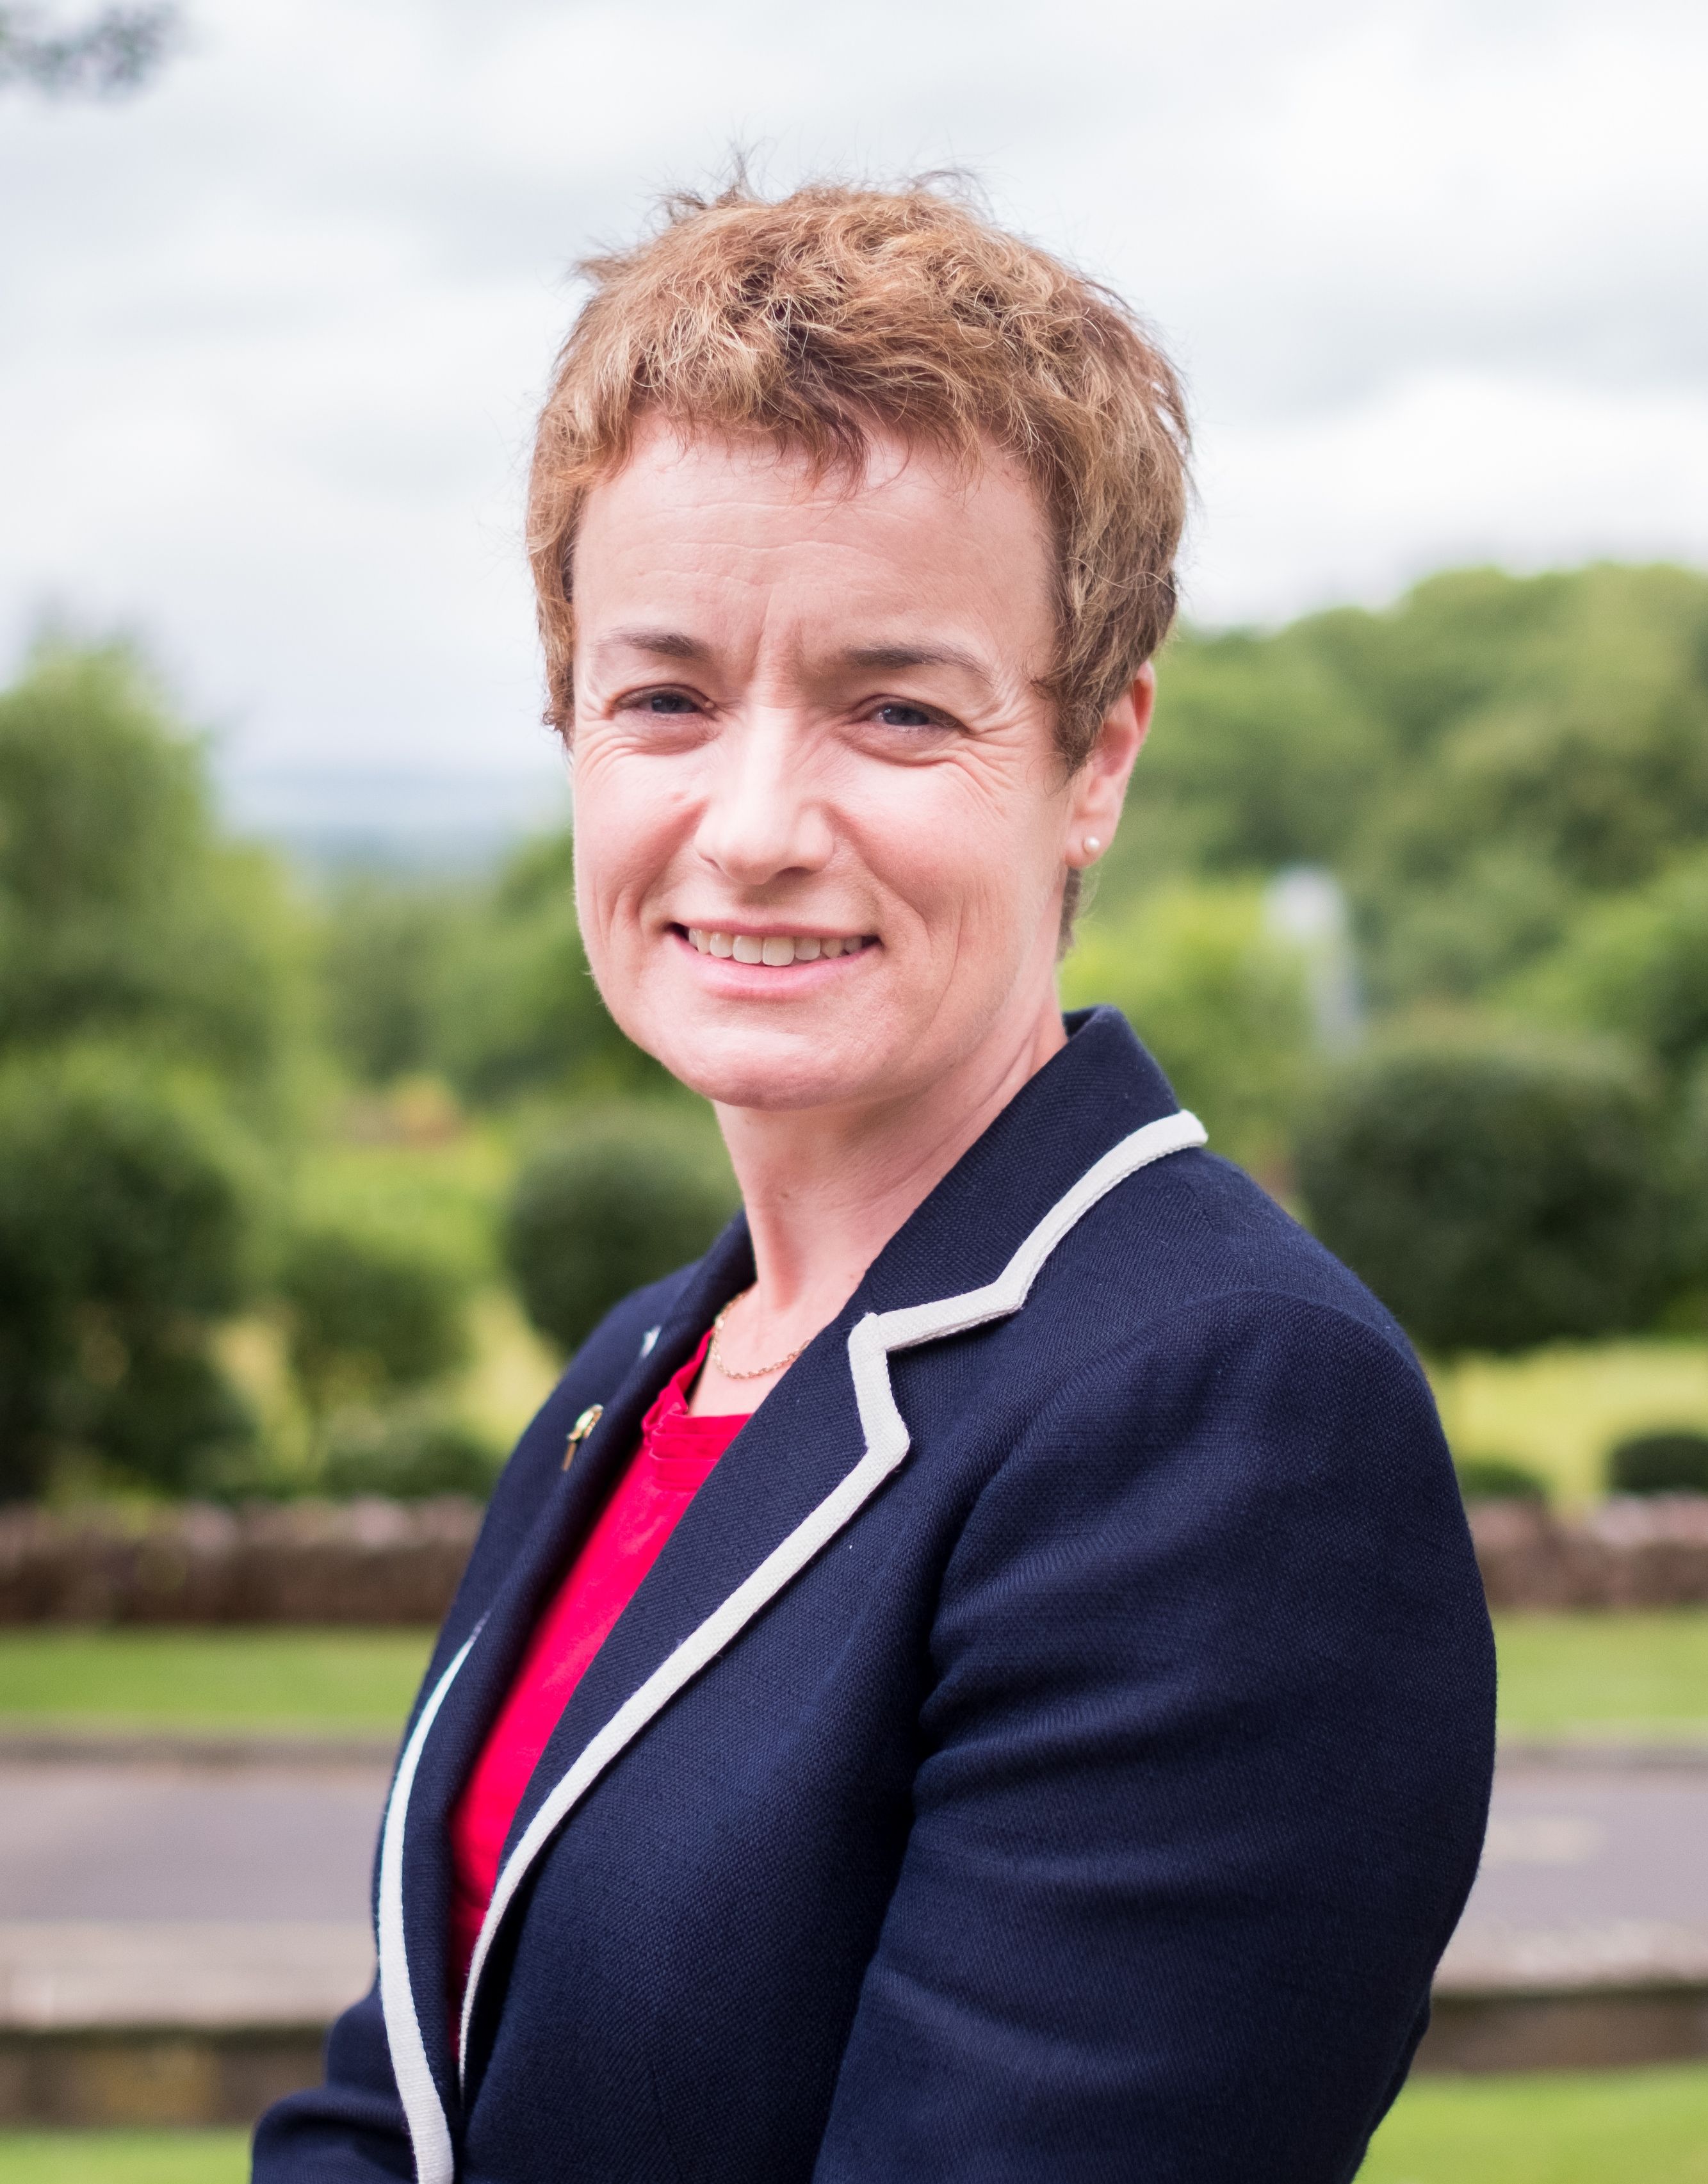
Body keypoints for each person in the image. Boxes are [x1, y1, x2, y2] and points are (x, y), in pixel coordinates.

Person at [254, 179, 1493, 2184]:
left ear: (1096, 754)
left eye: (894, 707)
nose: (749, 825)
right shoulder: (642, 1369)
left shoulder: (1227, 1421)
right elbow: (399, 2095)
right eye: (664, 694)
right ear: (569, 717)